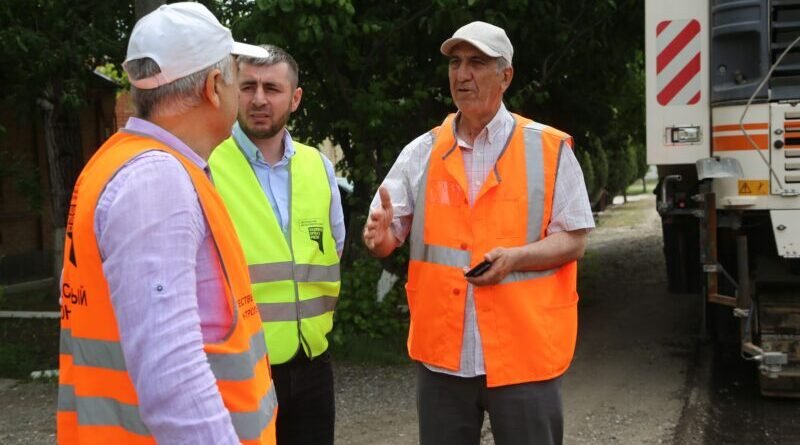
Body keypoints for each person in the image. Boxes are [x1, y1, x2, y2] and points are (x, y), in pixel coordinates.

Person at [363, 21, 595, 445]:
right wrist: (379, 238)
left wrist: (517, 258)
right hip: (443, 360)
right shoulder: (421, 152)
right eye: (455, 63)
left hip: (524, 354)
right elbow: (387, 231)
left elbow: (575, 239)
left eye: (476, 63)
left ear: (505, 76)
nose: (461, 74)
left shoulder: (548, 147)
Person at [56, 3, 277, 444]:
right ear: (215, 87)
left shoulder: (129, 164)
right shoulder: (156, 181)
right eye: (236, 74)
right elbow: (171, 376)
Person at [208, 44, 345, 445]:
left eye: (273, 88)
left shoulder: (318, 166)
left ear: (295, 98)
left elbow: (333, 246)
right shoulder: (206, 165)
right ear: (232, 91)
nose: (259, 99)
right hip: (238, 366)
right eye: (248, 86)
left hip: (313, 362)